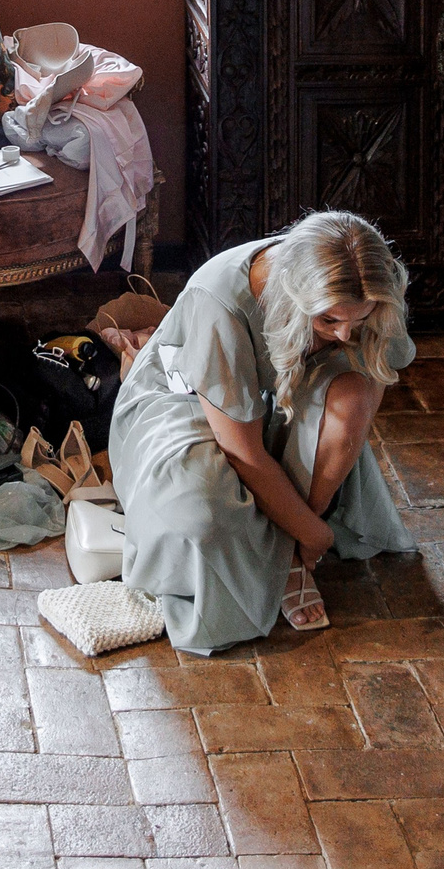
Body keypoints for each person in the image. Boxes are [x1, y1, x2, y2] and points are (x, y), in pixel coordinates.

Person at [106, 210, 415, 653]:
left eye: (360, 320)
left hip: (275, 395)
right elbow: (243, 452)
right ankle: (289, 546)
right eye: (329, 320)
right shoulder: (220, 300)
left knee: (355, 395)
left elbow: (376, 375)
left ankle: (287, 544)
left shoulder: (370, 281)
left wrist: (304, 523)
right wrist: (316, 536)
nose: (345, 335)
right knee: (202, 510)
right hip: (185, 397)